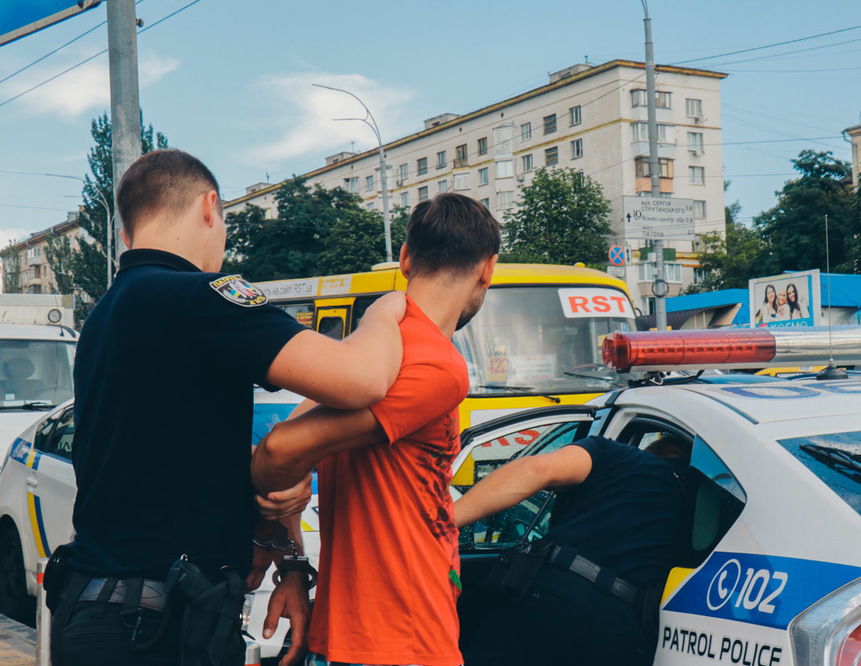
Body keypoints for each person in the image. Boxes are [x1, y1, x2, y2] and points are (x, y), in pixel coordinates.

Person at [49, 149, 405, 666]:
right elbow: (361, 380)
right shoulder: (199, 296)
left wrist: (282, 546)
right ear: (209, 206)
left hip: (96, 611)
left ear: (126, 234)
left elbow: (180, 453)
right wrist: (385, 312)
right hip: (152, 630)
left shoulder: (107, 314)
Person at [251, 192, 502, 666]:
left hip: (350, 632)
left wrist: (291, 563)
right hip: (402, 637)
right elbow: (283, 450)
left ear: (405, 258)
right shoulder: (439, 366)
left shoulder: (367, 355)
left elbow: (286, 451)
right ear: (487, 269)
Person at [453, 435, 689, 666]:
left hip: (552, 599)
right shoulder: (700, 499)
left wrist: (443, 524)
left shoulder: (617, 454)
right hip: (624, 630)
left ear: (654, 449)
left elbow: (539, 469)